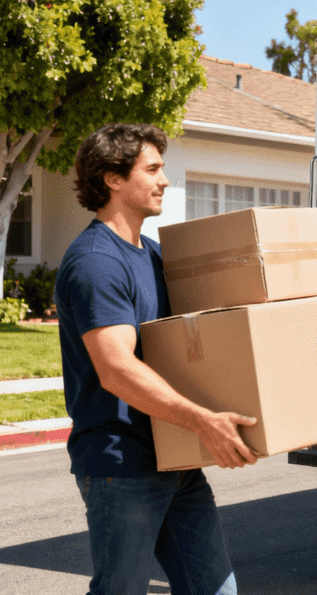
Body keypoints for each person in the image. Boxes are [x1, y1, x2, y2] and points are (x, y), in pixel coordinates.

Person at [55, 123, 258, 595]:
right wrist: (203, 421)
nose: (164, 179)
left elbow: (205, 344)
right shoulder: (95, 262)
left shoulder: (154, 256)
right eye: (152, 169)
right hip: (122, 464)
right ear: (112, 178)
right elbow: (117, 370)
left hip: (176, 457)